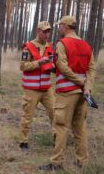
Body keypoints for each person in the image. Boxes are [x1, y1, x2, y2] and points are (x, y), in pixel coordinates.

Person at [39, 16, 96, 171]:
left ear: (65, 27)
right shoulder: (86, 45)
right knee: (80, 128)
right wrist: (87, 87)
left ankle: (56, 163)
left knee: (60, 126)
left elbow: (62, 67)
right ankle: (82, 162)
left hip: (67, 93)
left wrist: (80, 83)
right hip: (83, 94)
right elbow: (91, 69)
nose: (59, 28)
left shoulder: (62, 44)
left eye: (60, 26)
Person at [19, 21, 55, 150]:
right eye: (44, 31)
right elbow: (22, 66)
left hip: (47, 88)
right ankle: (23, 142)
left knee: (55, 114)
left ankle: (57, 139)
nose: (46, 34)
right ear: (38, 31)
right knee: (27, 116)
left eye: (48, 31)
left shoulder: (50, 46)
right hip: (31, 89)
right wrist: (39, 62)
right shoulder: (28, 46)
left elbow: (52, 64)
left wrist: (53, 67)